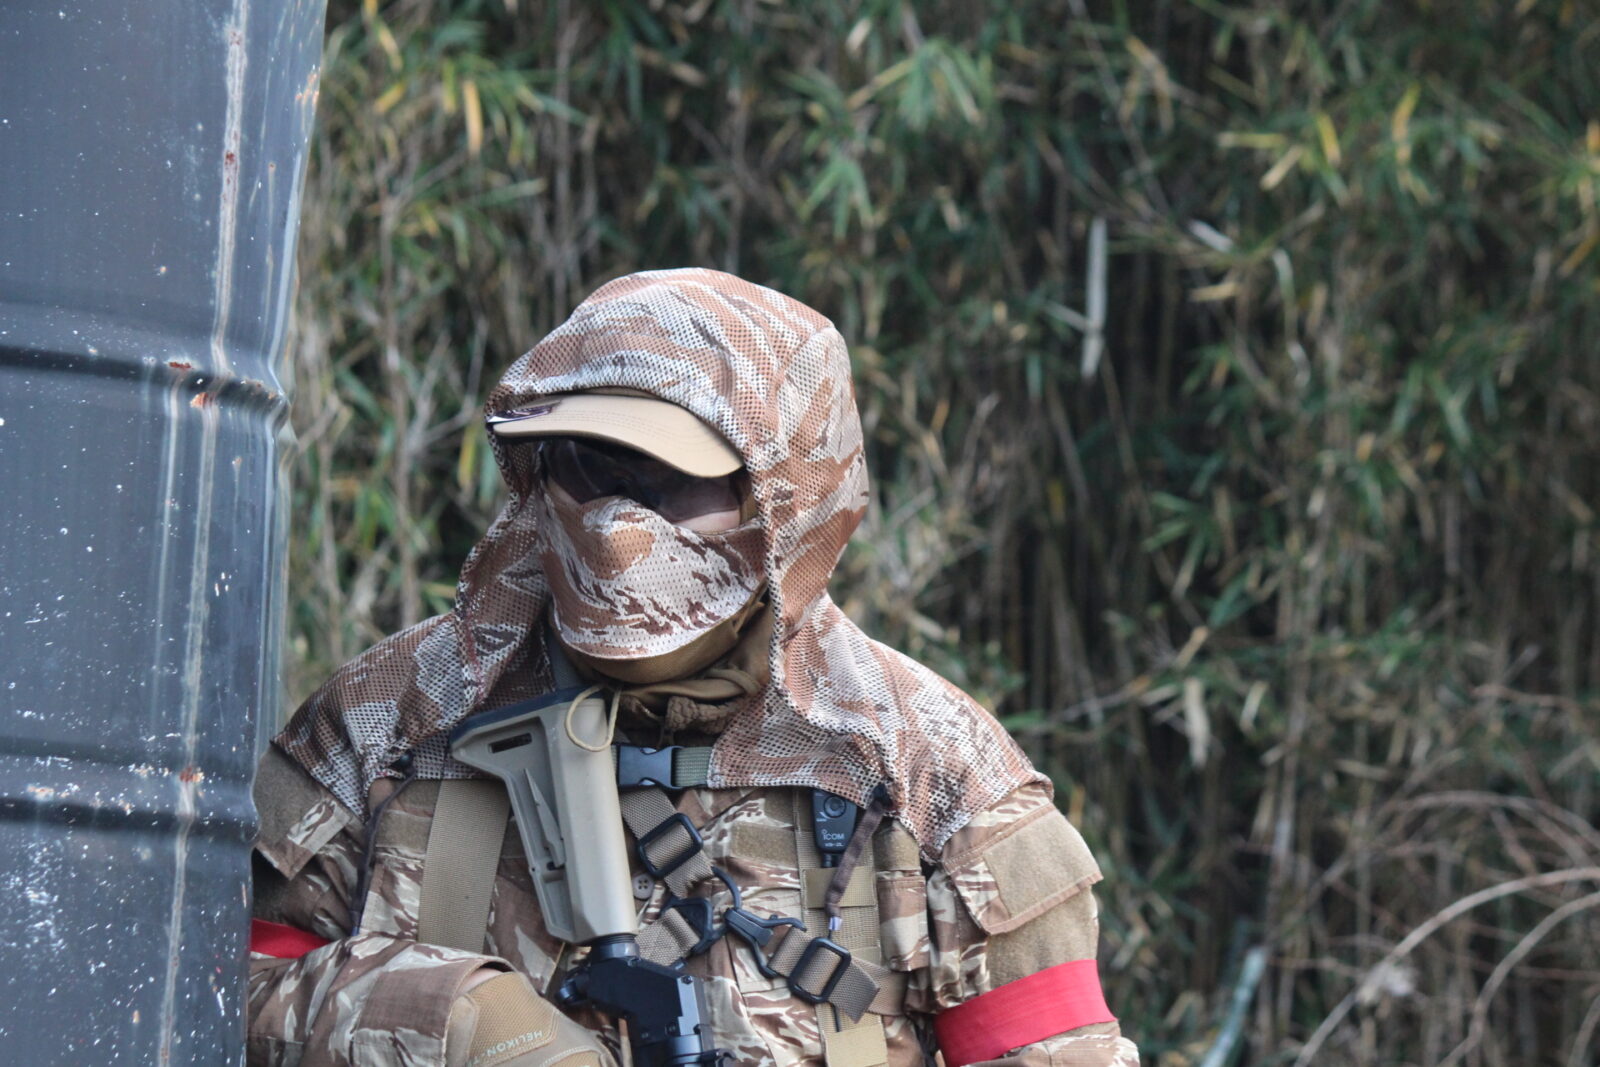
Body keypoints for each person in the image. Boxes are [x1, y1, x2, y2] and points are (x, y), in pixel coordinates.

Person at [248, 268, 1140, 1067]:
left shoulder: (931, 770)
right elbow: (213, 993)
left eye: (671, 480)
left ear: (783, 497)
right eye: (589, 466)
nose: (616, 522)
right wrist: (455, 1020)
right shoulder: (394, 717)